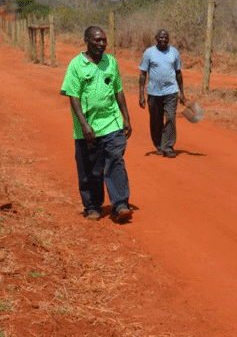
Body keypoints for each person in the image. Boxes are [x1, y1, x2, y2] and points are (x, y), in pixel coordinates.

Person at [60, 26, 133, 222]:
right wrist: (84, 125)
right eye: (97, 40)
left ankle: (120, 204)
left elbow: (118, 89)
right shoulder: (76, 65)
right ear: (86, 40)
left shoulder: (111, 62)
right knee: (90, 168)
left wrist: (126, 117)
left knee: (115, 159)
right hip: (88, 127)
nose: (101, 44)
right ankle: (92, 205)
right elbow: (73, 97)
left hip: (112, 122)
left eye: (104, 41)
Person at [138, 29, 186, 158]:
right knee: (156, 119)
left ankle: (168, 146)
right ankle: (159, 144)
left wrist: (182, 93)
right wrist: (141, 95)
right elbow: (143, 74)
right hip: (154, 92)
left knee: (170, 117)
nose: (163, 40)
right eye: (161, 37)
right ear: (156, 38)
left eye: (166, 37)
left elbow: (178, 73)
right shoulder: (149, 53)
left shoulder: (174, 52)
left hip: (171, 91)